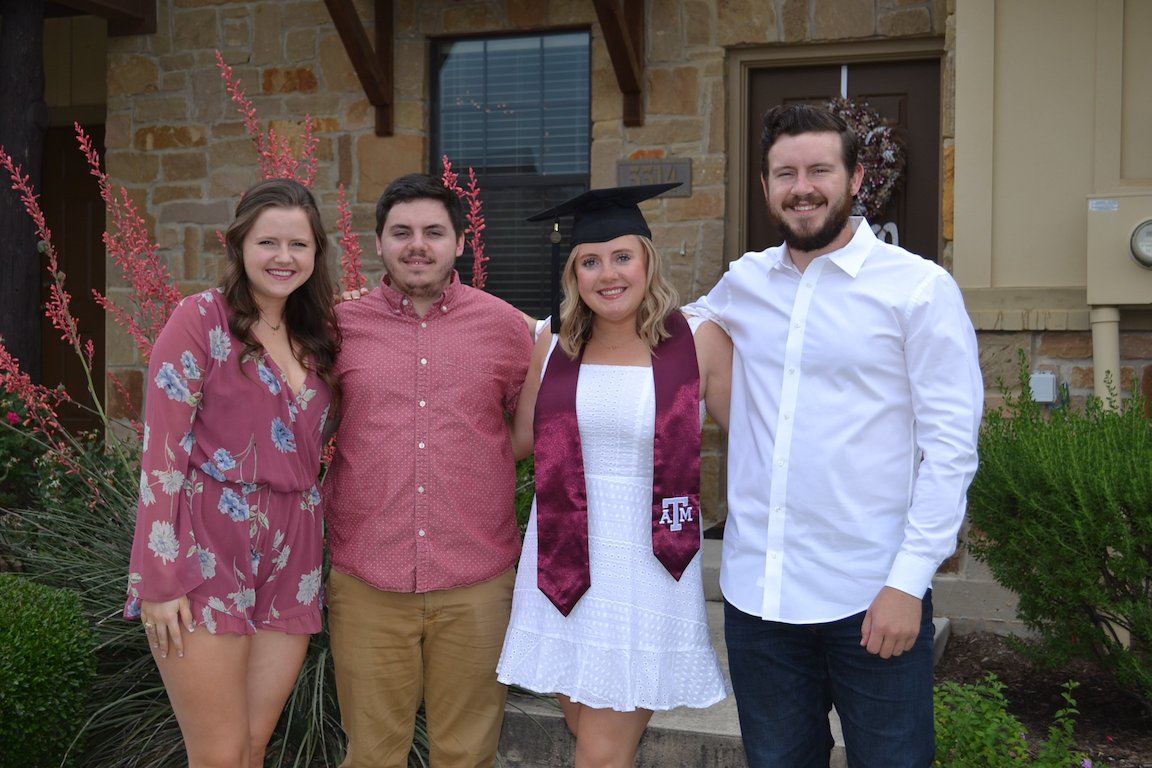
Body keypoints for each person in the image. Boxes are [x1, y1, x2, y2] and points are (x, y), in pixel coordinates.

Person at [687, 103, 984, 767]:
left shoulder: (917, 290)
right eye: (785, 173)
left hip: (871, 595)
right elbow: (684, 327)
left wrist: (909, 582)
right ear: (765, 187)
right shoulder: (745, 282)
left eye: (819, 169)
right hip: (759, 600)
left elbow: (950, 450)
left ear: (854, 181)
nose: (802, 186)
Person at [496, 184, 733, 768]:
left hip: (648, 564)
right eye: (590, 261)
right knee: (593, 741)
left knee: (599, 754)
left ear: (648, 260)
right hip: (562, 558)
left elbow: (758, 440)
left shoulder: (698, 339)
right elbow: (518, 442)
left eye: (622, 257)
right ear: (574, 272)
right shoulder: (552, 343)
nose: (608, 274)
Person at [124, 177, 341, 766]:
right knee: (218, 753)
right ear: (239, 245)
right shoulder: (200, 319)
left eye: (298, 244)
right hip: (206, 544)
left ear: (316, 252)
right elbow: (161, 454)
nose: (283, 257)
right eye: (268, 242)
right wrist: (157, 577)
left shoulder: (323, 339)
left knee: (251, 745)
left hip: (294, 549)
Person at [323, 173, 534, 768]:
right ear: (380, 242)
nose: (418, 245)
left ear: (460, 243)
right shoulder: (339, 328)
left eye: (434, 232)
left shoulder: (506, 328)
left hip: (476, 580)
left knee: (467, 754)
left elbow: (529, 432)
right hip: (368, 579)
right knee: (371, 755)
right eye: (402, 232)